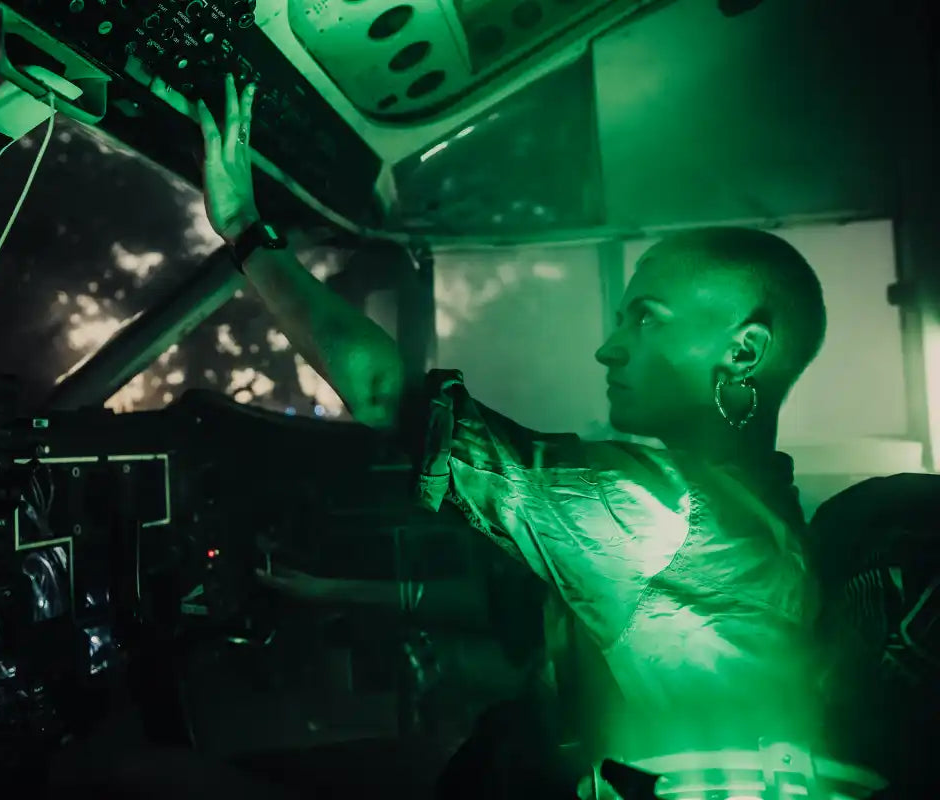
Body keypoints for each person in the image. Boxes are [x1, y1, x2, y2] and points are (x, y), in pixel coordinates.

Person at [196, 76, 827, 790]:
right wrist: (329, 589)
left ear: (742, 352)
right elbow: (511, 609)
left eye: (645, 318)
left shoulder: (657, 515)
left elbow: (381, 393)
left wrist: (244, 226)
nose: (609, 349)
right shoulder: (760, 523)